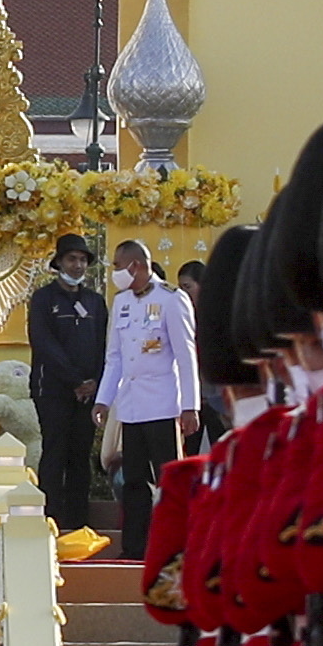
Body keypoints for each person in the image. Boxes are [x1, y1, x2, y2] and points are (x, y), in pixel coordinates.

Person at [95, 238, 198, 558]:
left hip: (164, 403)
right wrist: (103, 399)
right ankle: (135, 549)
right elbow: (114, 358)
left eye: (116, 266)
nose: (114, 272)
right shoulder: (122, 302)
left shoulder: (171, 299)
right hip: (131, 405)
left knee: (170, 481)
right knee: (133, 482)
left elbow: (186, 356)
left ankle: (177, 546)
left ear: (134, 266)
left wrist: (190, 406)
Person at [27, 239, 108, 531]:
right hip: (52, 391)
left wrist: (95, 383)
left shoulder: (95, 302)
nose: (78, 265)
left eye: (83, 260)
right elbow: (45, 345)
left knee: (80, 455)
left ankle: (78, 523)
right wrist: (75, 381)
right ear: (59, 262)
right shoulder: (43, 299)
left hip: (88, 393)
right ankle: (47, 521)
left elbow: (104, 346)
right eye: (72, 259)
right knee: (55, 452)